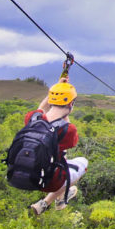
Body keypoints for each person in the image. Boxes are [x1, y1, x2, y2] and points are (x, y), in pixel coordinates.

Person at [29, 78, 88, 215]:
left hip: (25, 174)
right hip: (48, 181)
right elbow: (67, 130)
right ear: (71, 104)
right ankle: (46, 203)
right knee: (83, 162)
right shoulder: (68, 130)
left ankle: (61, 197)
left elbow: (41, 108)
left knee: (62, 153)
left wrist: (56, 90)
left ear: (50, 100)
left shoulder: (32, 118)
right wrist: (66, 111)